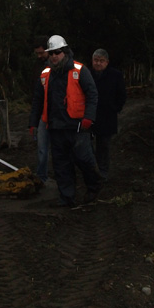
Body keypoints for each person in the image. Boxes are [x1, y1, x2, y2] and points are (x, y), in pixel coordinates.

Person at [29, 35, 103, 207]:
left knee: (84, 159)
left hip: (77, 127)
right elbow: (38, 100)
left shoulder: (79, 70)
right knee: (61, 165)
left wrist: (88, 118)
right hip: (55, 128)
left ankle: (94, 186)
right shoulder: (46, 74)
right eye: (51, 53)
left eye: (58, 52)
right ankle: (67, 197)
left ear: (65, 51)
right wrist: (33, 122)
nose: (54, 56)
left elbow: (92, 94)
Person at [90, 48, 126, 180]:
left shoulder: (115, 75)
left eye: (101, 61)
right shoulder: (87, 74)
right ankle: (90, 170)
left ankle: (103, 171)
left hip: (107, 116)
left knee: (103, 145)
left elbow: (122, 95)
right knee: (86, 145)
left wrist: (115, 108)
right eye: (96, 60)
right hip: (89, 116)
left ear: (107, 62)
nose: (98, 63)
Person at [30, 36, 51, 183]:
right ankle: (42, 176)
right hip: (43, 115)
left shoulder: (61, 66)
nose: (39, 56)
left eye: (41, 53)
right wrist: (33, 122)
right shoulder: (39, 68)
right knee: (42, 148)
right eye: (36, 53)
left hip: (60, 115)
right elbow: (37, 97)